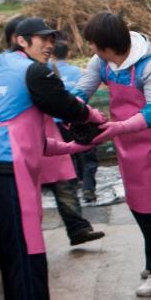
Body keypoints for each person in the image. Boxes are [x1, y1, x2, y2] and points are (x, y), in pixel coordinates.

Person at [0, 16, 104, 300]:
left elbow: (30, 134)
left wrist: (72, 148)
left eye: (51, 38)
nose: (48, 44)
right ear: (21, 40)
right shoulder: (33, 71)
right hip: (7, 168)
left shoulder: (0, 72)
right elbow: (63, 104)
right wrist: (93, 116)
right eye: (41, 39)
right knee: (29, 251)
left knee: (11, 249)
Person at [76, 12, 151, 297]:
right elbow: (81, 91)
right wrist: (68, 108)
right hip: (124, 143)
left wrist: (118, 127)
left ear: (106, 44)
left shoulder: (149, 66)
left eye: (94, 44)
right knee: (136, 202)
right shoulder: (102, 63)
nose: (92, 50)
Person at [50, 40, 98, 204]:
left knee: (67, 153)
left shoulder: (48, 73)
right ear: (68, 53)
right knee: (87, 153)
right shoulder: (78, 72)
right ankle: (88, 189)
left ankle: (73, 187)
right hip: (80, 118)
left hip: (58, 122)